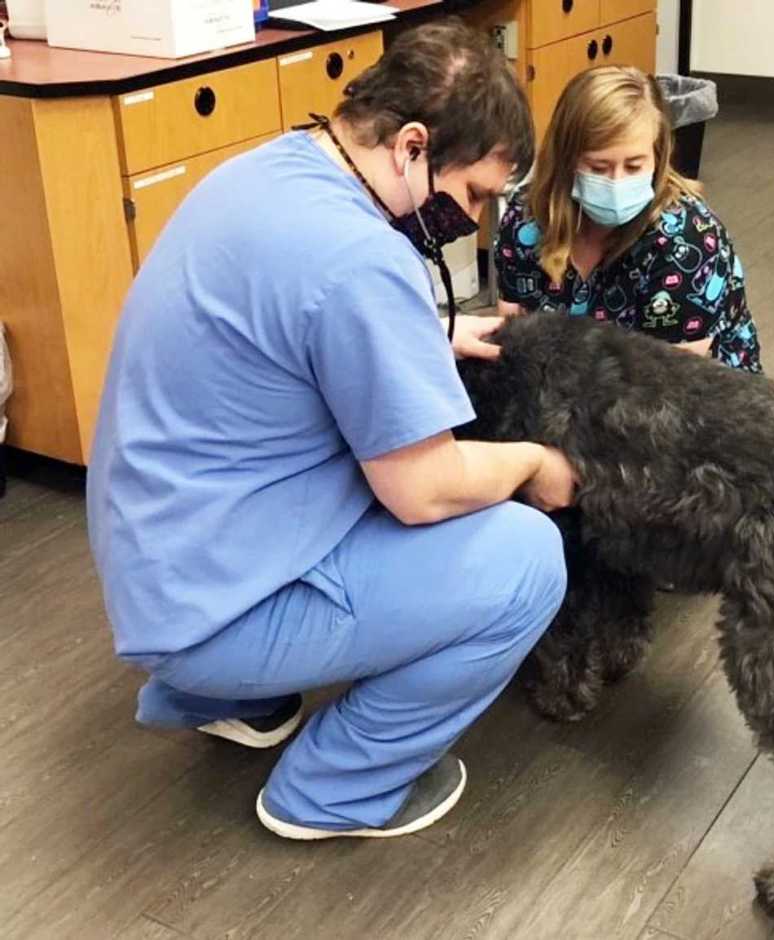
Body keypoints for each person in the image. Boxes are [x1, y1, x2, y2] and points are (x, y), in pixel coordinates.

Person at [86, 20, 573, 840]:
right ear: (413, 145)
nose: (475, 220)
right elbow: (422, 491)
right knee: (525, 561)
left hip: (155, 564)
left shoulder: (263, 170)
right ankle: (332, 791)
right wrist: (532, 460)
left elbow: (289, 319)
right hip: (216, 607)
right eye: (477, 195)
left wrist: (420, 333)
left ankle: (216, 697)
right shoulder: (359, 262)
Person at [496, 66, 762, 372]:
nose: (616, 181)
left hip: (681, 398)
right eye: (597, 168)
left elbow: (672, 381)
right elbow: (512, 337)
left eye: (634, 166)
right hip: (564, 388)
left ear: (658, 158)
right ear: (566, 161)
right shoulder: (525, 220)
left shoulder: (688, 238)